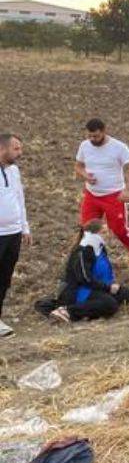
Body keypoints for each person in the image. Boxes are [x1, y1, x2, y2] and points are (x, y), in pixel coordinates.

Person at [74, 118, 129, 267]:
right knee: (87, 230)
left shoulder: (119, 147)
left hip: (113, 196)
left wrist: (127, 189)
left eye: (95, 136)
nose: (92, 139)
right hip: (92, 195)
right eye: (89, 136)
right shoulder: (84, 146)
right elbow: (78, 166)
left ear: (104, 131)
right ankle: (88, 260)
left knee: (119, 230)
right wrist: (85, 175)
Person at [37, 220, 129, 323]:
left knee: (125, 293)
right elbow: (85, 279)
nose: (108, 235)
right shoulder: (83, 251)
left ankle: (89, 310)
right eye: (104, 232)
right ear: (95, 234)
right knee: (110, 304)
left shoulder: (100, 248)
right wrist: (108, 288)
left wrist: (110, 285)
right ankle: (68, 311)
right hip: (80, 290)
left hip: (97, 286)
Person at [0, 133, 29, 339]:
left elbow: (19, 197)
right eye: (16, 148)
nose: (20, 153)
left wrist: (24, 227)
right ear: (3, 149)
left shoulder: (14, 171)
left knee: (4, 278)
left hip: (13, 232)